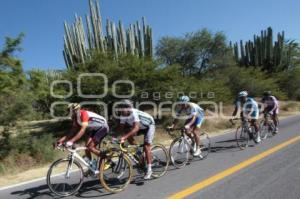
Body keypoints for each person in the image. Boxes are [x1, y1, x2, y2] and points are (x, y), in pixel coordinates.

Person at [56, 103, 109, 167]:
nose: (71, 113)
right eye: (69, 111)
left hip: (103, 127)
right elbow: (72, 132)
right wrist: (60, 141)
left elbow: (82, 130)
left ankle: (108, 160)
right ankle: (91, 166)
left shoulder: (83, 114)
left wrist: (70, 141)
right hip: (93, 129)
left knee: (90, 147)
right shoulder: (75, 118)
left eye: (72, 111)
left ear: (77, 110)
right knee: (86, 148)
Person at [117, 100, 155, 180]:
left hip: (149, 125)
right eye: (121, 108)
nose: (121, 110)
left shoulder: (134, 113)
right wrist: (118, 137)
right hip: (141, 127)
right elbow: (121, 128)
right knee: (128, 134)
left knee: (146, 146)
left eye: (123, 108)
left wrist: (124, 137)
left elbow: (136, 128)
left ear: (128, 108)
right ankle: (139, 153)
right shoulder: (123, 115)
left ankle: (149, 170)